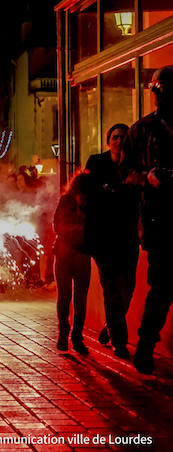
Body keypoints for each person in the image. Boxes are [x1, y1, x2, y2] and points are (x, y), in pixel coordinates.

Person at [122, 65, 173, 374]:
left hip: (160, 220)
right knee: (162, 288)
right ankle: (145, 345)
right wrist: (148, 177)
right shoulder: (141, 130)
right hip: (161, 220)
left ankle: (146, 345)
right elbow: (124, 172)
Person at [84, 123, 139, 359]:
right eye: (115, 137)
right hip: (103, 238)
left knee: (128, 287)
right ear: (108, 141)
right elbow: (84, 194)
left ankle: (110, 324)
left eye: (123, 138)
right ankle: (119, 341)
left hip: (128, 237)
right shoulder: (96, 162)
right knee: (111, 289)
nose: (118, 141)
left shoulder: (136, 165)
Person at [53, 173, 91, 354]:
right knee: (65, 295)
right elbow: (58, 226)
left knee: (80, 298)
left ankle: (76, 335)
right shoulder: (65, 201)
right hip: (64, 253)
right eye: (80, 195)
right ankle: (64, 332)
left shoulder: (92, 205)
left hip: (82, 254)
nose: (82, 198)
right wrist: (81, 227)